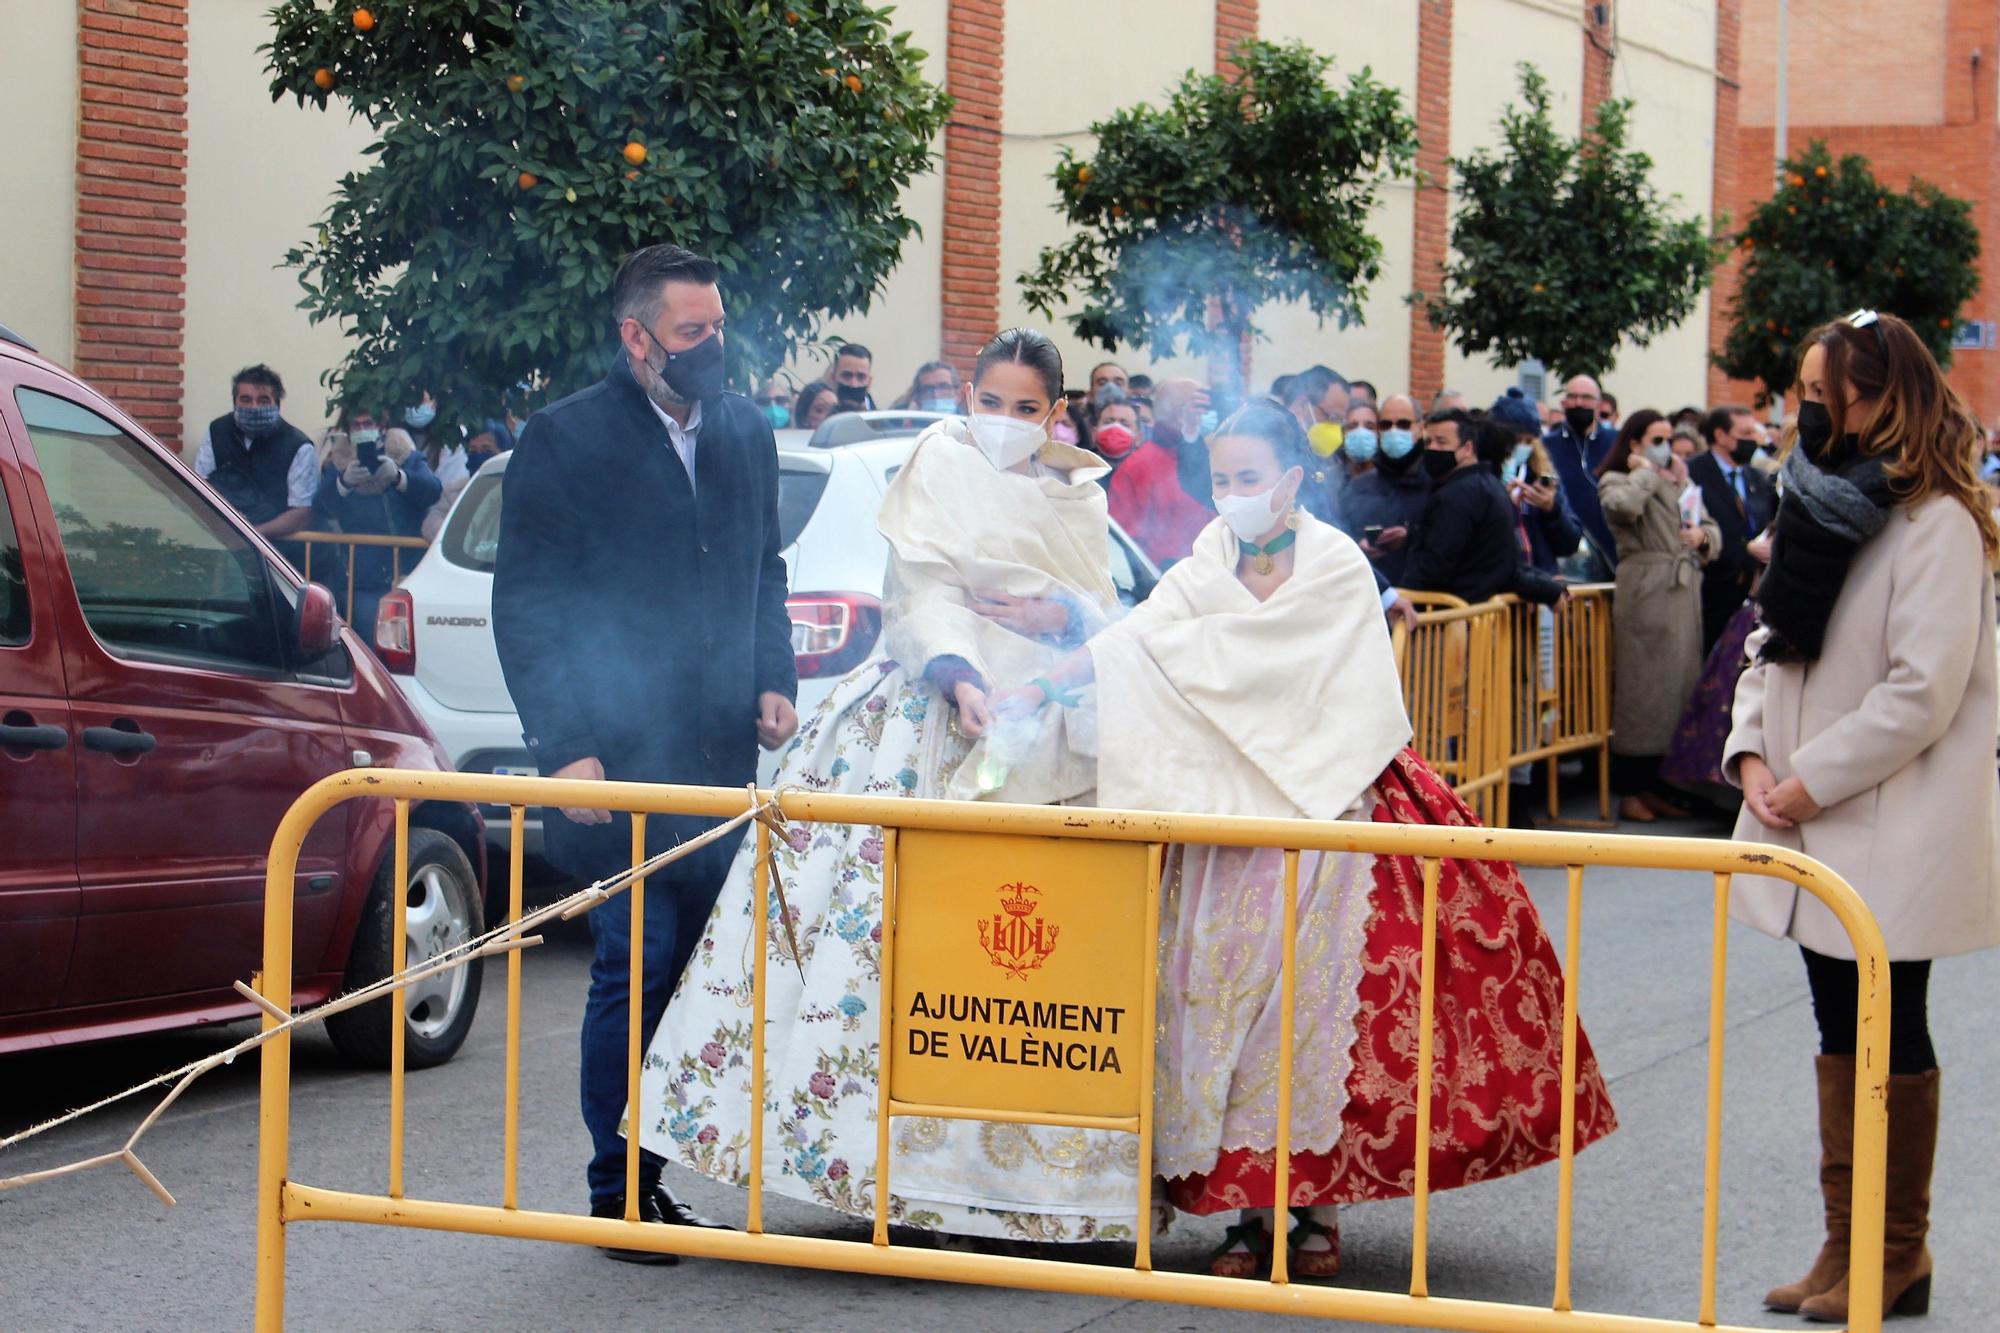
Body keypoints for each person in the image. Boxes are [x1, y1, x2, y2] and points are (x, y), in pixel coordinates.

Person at [994, 401, 1616, 1278]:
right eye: (1220, 480)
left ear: (1291, 478)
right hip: (1227, 818)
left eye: (1249, 478)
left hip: (1331, 808)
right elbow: (1142, 643)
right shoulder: (1203, 560)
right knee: (1220, 1015)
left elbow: (1288, 674)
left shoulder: (1334, 566)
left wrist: (1195, 658)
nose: (1233, 496)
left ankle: (1313, 1208)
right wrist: (1056, 675)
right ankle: (1246, 1214)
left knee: (1311, 1022)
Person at [636, 328, 1140, 1241]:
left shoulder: (1078, 493)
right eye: (990, 403)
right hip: (929, 722)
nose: (1004, 423)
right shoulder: (938, 461)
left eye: (1027, 408)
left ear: (1056, 414)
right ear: (967, 400)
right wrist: (960, 674)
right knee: (893, 959)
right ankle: (888, 1179)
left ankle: (1022, 1189)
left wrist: (1061, 614)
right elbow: (918, 596)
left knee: (1025, 980)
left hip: (1050, 731)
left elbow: (1103, 614)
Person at [492, 243, 800, 1257]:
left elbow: (764, 567)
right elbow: (528, 602)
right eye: (689, 333)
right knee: (638, 961)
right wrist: (565, 745)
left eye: (717, 326)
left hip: (718, 763)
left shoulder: (747, 431)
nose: (712, 347)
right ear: (635, 339)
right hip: (618, 764)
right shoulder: (563, 439)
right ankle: (616, 1187)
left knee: (694, 980)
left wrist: (774, 678)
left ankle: (657, 1173)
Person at [1726, 311, 2000, 1323]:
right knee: (1835, 1021)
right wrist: (1751, 752)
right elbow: (1768, 639)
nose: (1806, 405)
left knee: (1892, 1025)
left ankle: (1894, 1248)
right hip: (1807, 808)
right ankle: (1844, 1244)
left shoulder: (1937, 521)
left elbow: (1918, 690)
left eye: (1821, 386)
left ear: (1882, 394)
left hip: (1885, 817)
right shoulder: (1813, 501)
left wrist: (1808, 778)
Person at [1594, 409, 1721, 823]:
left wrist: (1703, 538)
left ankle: (1662, 787)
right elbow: (1621, 507)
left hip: (1681, 592)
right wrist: (1646, 473)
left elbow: (1706, 523)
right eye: (1657, 439)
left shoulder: (1680, 481)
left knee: (1677, 692)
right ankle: (1631, 789)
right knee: (1643, 693)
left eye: (1668, 439)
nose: (1665, 447)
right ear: (1634, 442)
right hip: (1648, 593)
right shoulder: (1620, 479)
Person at [1401, 411, 1565, 606]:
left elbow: (1435, 565)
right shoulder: (1490, 486)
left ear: (1467, 448)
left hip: (1457, 617)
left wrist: (1404, 596)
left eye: (1441, 442)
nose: (1432, 449)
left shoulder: (1456, 495)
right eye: (1428, 442)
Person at [311, 404, 442, 638]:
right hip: (364, 575)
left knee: (409, 645)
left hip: (410, 571)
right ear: (348, 430)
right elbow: (321, 506)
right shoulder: (339, 461)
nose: (363, 429)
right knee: (371, 646)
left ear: (382, 426)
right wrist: (344, 482)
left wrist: (399, 478)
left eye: (368, 423)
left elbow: (432, 490)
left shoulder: (404, 454)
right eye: (356, 425)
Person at [194, 364, 319, 557]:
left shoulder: (298, 446)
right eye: (246, 399)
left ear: (277, 404)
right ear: (234, 402)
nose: (254, 407)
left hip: (281, 555)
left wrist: (254, 534)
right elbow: (199, 488)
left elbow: (302, 513)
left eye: (263, 400)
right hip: (222, 549)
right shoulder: (216, 432)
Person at [1688, 405, 1778, 652]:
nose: (1752, 440)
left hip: (1753, 594)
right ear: (1721, 436)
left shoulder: (1757, 478)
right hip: (1713, 595)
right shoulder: (1693, 472)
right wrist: (1744, 549)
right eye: (1745, 433)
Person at [1107, 376, 1214, 565]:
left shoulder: (1211, 456)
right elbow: (1125, 541)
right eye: (1200, 407)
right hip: (1162, 577)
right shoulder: (1137, 467)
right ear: (1180, 412)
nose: (1207, 413)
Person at [1339, 392, 1428, 585]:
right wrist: (1357, 544)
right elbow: (1339, 533)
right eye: (1386, 425)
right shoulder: (1359, 486)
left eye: (1403, 424)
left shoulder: (1435, 482)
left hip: (1419, 597)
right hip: (1370, 590)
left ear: (1421, 428)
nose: (1394, 431)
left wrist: (1410, 536)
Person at [1491, 388, 1580, 576]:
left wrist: (1552, 511)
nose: (1522, 446)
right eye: (1516, 440)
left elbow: (1570, 544)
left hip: (1541, 581)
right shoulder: (1484, 476)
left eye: (1529, 441)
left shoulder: (1542, 475)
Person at [1543, 374, 1620, 575]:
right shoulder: (1546, 446)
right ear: (1563, 402)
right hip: (1565, 555)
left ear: (1598, 403)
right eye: (1573, 397)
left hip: (1613, 551)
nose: (1578, 403)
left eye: (1586, 398)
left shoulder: (1617, 443)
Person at [890, 359, 959, 412]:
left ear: (958, 395)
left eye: (944, 387)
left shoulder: (967, 425)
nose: (936, 395)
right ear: (917, 397)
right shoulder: (899, 423)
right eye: (928, 390)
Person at [828, 342, 876, 412]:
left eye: (861, 377)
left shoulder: (880, 420)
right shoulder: (818, 418)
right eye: (847, 376)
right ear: (832, 379)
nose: (853, 384)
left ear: (869, 382)